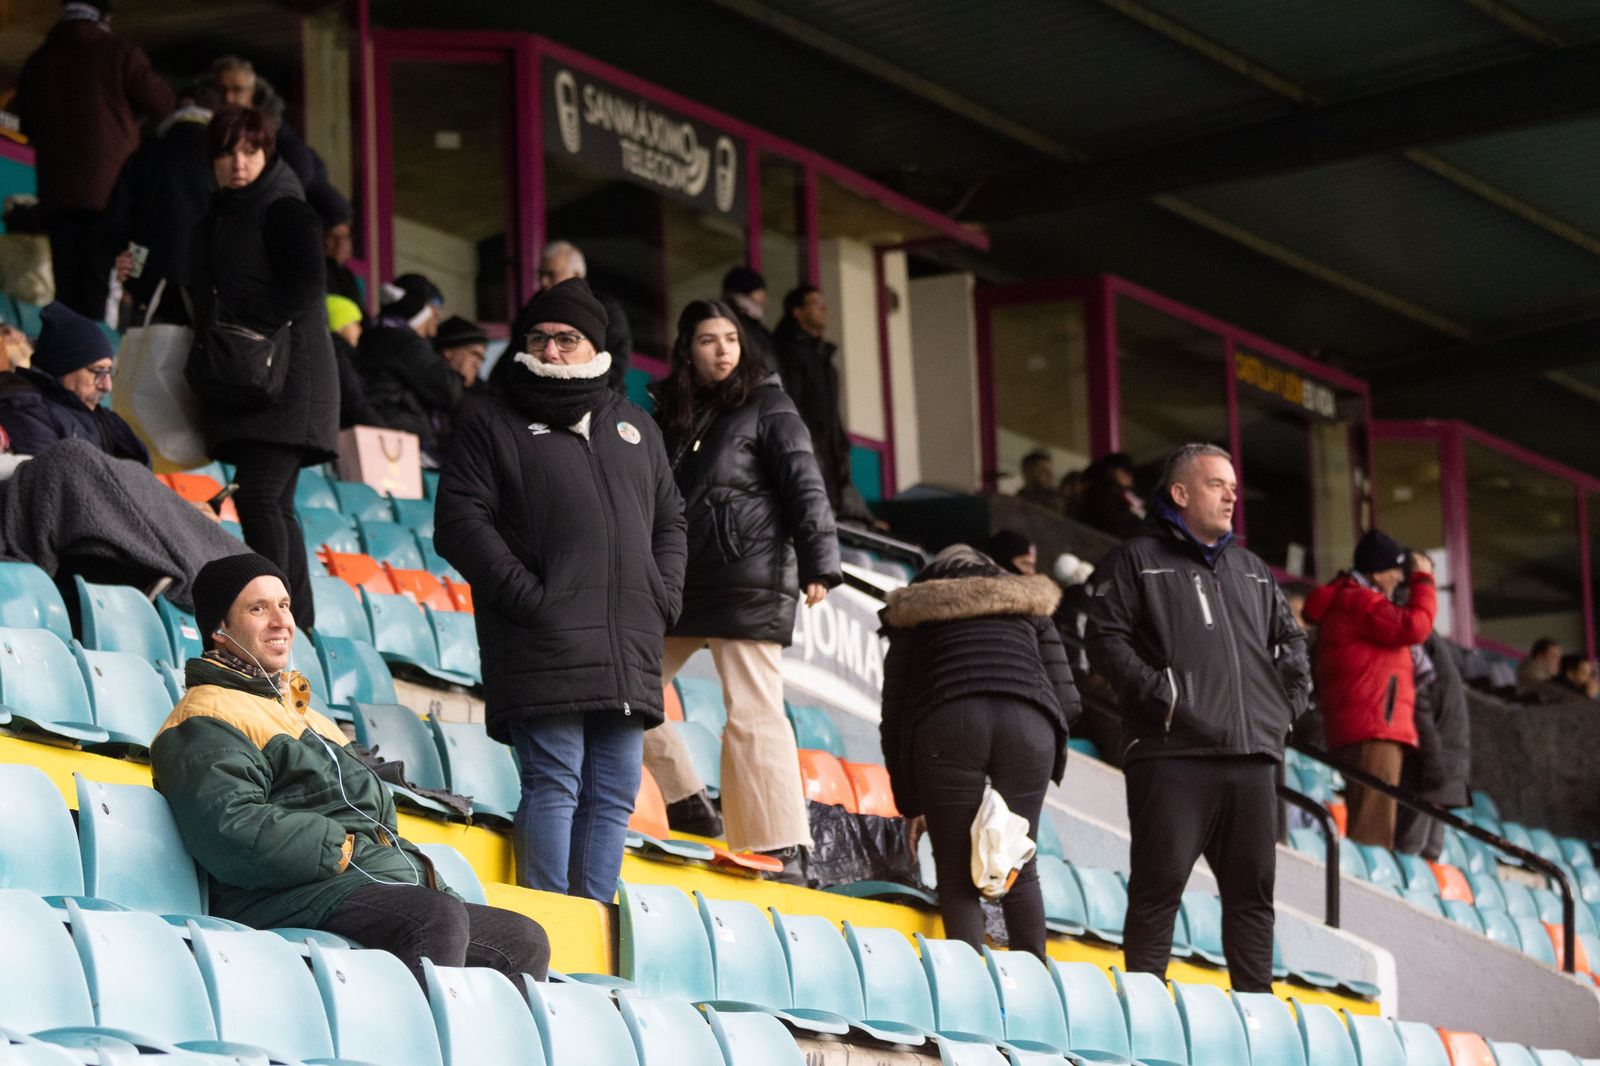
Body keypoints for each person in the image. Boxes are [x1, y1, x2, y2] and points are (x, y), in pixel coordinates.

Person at [150, 553, 550, 987]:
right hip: (274, 894)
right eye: (258, 608)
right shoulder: (206, 715)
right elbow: (231, 826)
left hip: (350, 884)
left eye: (284, 605)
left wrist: (418, 876)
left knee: (522, 939)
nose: (280, 620)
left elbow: (377, 820)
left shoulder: (308, 716)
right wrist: (338, 847)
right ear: (219, 630)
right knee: (433, 918)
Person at [434, 278, 686, 901]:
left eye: (565, 339)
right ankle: (546, 933)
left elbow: (671, 521)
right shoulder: (489, 419)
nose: (550, 350)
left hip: (628, 638)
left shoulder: (634, 427)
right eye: (539, 338)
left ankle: (589, 933)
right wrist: (527, 597)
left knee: (613, 795)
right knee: (554, 782)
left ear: (593, 347)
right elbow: (460, 521)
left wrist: (664, 597)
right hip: (539, 635)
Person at [1086, 443, 1311, 993]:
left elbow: (1293, 643)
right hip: (1172, 755)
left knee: (1253, 902)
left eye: (1234, 485)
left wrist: (1285, 706)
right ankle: (1143, 1022)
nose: (1232, 494)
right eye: (1217, 484)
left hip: (1253, 757)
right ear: (1180, 493)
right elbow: (1103, 638)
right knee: (1157, 893)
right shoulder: (1135, 559)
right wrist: (1159, 694)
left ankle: (1256, 1028)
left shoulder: (1253, 570)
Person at [644, 299, 842, 872]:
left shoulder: (770, 404)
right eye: (708, 340)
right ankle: (686, 802)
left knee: (753, 710)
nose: (723, 350)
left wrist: (819, 562)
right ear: (688, 349)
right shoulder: (668, 413)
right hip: (681, 579)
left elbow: (805, 483)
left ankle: (775, 839)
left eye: (731, 338)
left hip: (748, 573)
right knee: (624, 692)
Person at [880, 544, 1079, 960]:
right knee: (1019, 864)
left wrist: (912, 801)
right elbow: (1070, 700)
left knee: (956, 874)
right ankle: (1035, 996)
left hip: (949, 719)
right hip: (1029, 720)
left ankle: (969, 1007)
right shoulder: (1028, 601)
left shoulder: (913, 609)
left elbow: (895, 715)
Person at [186, 105, 338, 637]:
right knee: (272, 500)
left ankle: (281, 624)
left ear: (266, 153)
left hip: (285, 378)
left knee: (262, 497)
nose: (238, 163)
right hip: (250, 375)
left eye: (249, 151)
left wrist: (244, 328)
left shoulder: (284, 208)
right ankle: (297, 624)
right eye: (226, 153)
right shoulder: (222, 214)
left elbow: (306, 287)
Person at [15, 0, 175, 318]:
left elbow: (27, 125)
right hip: (109, 193)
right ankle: (95, 364)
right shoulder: (119, 53)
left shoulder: (38, 61)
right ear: (106, 15)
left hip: (56, 194)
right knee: (100, 291)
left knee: (66, 290)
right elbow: (163, 104)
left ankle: (68, 361)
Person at [1302, 530, 1436, 849]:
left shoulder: (1348, 599)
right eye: (1396, 571)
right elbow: (1414, 626)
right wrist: (1424, 582)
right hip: (1373, 729)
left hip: (1365, 727)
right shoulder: (1359, 600)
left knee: (1373, 827)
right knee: (1373, 834)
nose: (1400, 579)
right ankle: (1359, 900)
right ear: (1376, 572)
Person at [104, 79, 217, 326]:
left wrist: (132, 277)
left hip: (151, 281)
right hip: (208, 284)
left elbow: (118, 221)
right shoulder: (222, 157)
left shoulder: (144, 155)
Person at [772, 285, 874, 526]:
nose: (824, 308)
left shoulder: (823, 359)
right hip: (806, 458)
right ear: (797, 312)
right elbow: (792, 407)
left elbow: (831, 421)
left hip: (826, 465)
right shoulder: (789, 353)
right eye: (815, 303)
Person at [0, 301, 147, 464]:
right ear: (62, 367)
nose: (107, 386)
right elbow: (54, 481)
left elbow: (142, 468)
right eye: (98, 372)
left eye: (109, 373)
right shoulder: (25, 409)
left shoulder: (99, 417)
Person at [358, 274, 462, 465]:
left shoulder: (374, 336)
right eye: (433, 307)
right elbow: (449, 391)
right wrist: (457, 369)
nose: (438, 315)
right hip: (399, 449)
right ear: (415, 309)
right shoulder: (402, 341)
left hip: (390, 443)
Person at [505, 241, 632, 394]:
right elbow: (510, 362)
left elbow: (616, 365)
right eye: (541, 274)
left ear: (577, 275)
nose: (544, 282)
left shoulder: (607, 310)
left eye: (551, 275)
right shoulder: (530, 310)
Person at [1396, 630, 1470, 859]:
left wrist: (1433, 762)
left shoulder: (1420, 649)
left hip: (1429, 768)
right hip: (1449, 767)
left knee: (1409, 853)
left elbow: (1422, 713)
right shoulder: (1443, 654)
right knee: (1427, 856)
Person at [209, 56, 328, 191]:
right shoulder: (207, 130)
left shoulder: (278, 135)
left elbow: (303, 173)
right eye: (221, 90)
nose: (228, 98)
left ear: (252, 92)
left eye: (237, 90)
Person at [307, 181, 364, 307]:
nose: (340, 244)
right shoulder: (316, 271)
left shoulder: (348, 276)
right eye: (332, 237)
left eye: (345, 237)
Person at [326, 295, 380, 429]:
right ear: (339, 325)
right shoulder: (338, 355)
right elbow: (355, 402)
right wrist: (386, 430)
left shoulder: (337, 353)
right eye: (355, 323)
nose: (360, 330)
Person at [1079, 452, 1146, 539]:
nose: (1128, 475)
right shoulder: (1099, 494)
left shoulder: (1128, 497)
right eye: (1124, 469)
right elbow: (1114, 525)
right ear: (1109, 470)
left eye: (1130, 471)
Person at [720, 266, 775, 370]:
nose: (764, 296)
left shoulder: (748, 320)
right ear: (749, 292)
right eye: (760, 290)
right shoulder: (743, 322)